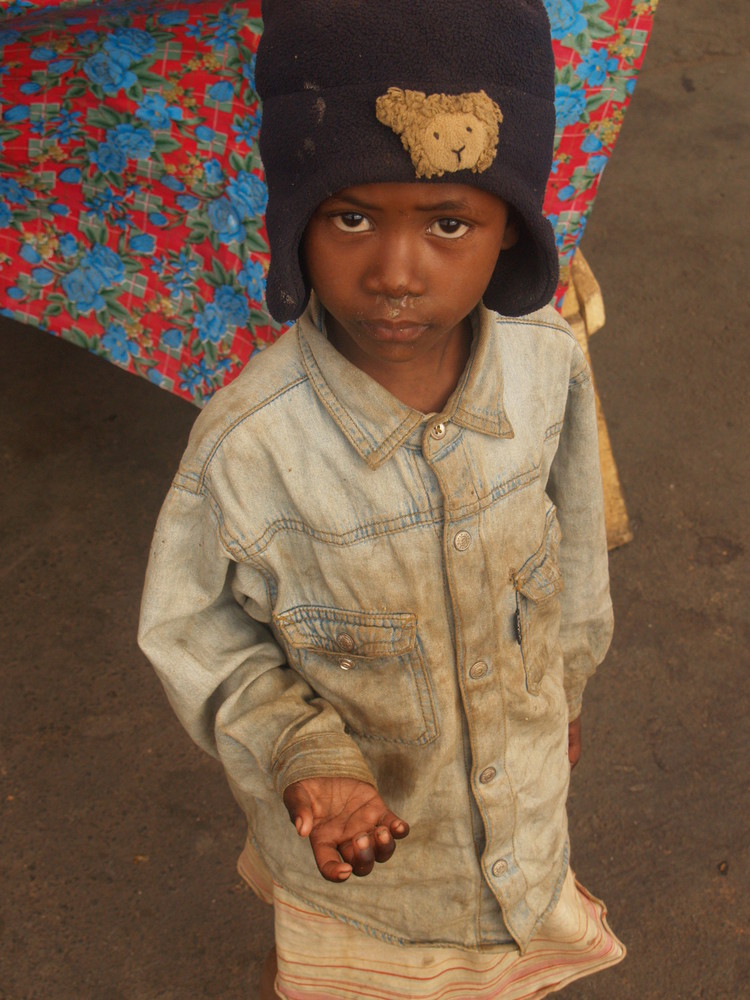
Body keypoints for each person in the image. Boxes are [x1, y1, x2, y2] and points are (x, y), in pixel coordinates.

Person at [138, 1, 626, 996]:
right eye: (350, 216)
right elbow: (200, 640)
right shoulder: (246, 445)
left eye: (450, 222)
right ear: (294, 223)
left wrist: (567, 684)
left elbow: (574, 551)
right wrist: (304, 754)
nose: (396, 272)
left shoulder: (550, 366)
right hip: (367, 890)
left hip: (523, 837)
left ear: (510, 233)